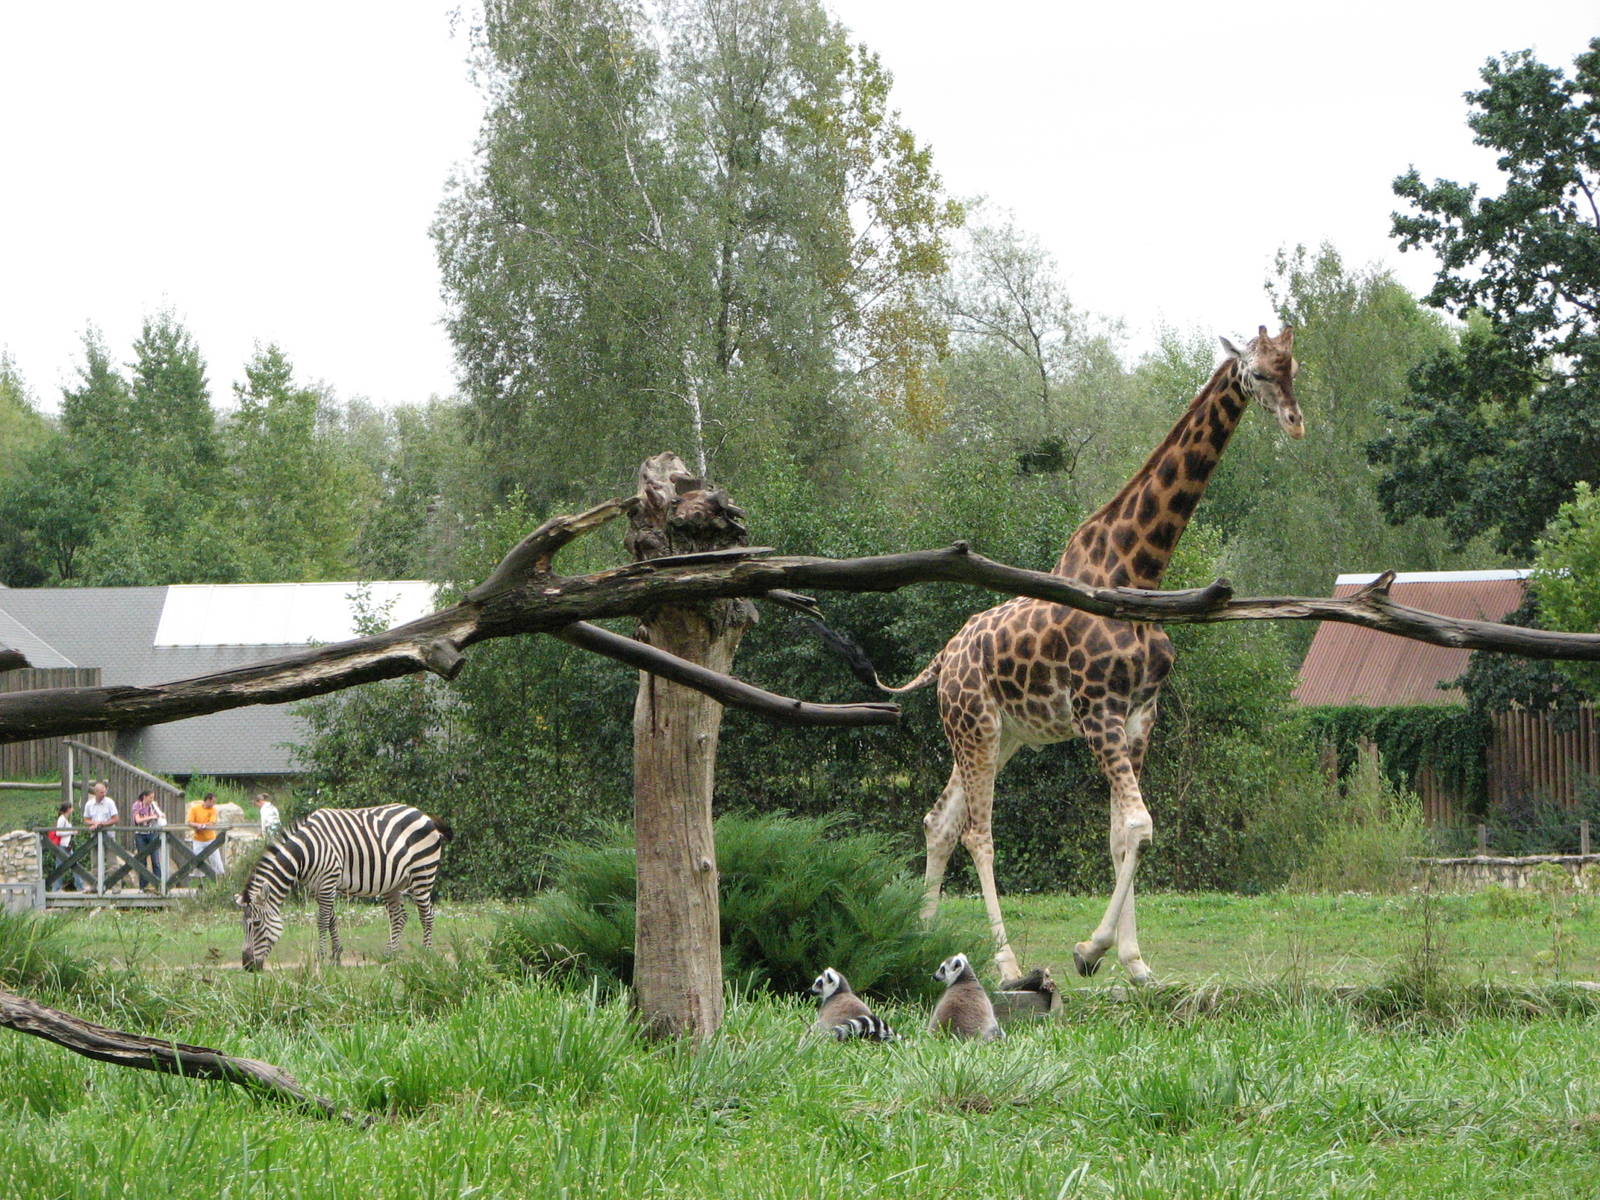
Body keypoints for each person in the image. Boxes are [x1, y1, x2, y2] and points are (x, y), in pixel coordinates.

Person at [82, 781, 118, 893]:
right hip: (95, 837)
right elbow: (86, 820)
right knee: (95, 864)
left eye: (105, 791)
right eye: (101, 792)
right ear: (95, 792)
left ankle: (115, 887)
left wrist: (102, 824)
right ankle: (95, 886)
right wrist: (94, 823)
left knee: (112, 863)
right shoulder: (89, 804)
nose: (104, 794)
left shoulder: (110, 802)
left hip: (109, 836)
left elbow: (115, 819)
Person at [186, 791, 223, 882]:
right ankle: (200, 881)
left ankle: (220, 878)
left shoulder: (213, 810)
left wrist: (202, 825)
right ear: (208, 800)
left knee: (216, 860)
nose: (214, 804)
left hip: (210, 839)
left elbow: (212, 822)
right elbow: (190, 822)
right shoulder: (195, 809)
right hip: (198, 839)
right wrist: (197, 825)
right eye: (213, 802)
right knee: (198, 860)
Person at [130, 790, 163, 889]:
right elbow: (138, 820)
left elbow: (160, 816)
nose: (152, 800)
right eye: (150, 797)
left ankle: (158, 885)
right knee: (142, 861)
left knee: (155, 860)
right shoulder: (137, 805)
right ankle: (143, 887)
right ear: (145, 797)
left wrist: (160, 815)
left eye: (153, 797)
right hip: (140, 835)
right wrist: (151, 816)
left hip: (152, 833)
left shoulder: (153, 805)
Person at [51, 800, 83, 891]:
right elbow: (58, 832)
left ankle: (79, 885)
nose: (73, 809)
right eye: (71, 807)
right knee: (63, 868)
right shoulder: (61, 819)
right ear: (68, 809)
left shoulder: (65, 819)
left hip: (67, 846)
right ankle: (57, 889)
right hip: (63, 846)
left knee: (70, 866)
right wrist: (71, 831)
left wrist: (72, 832)